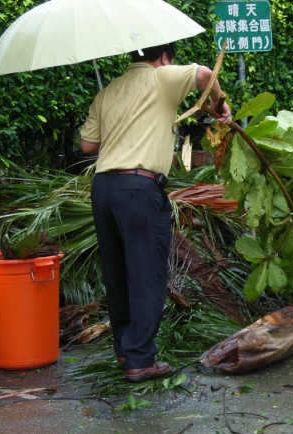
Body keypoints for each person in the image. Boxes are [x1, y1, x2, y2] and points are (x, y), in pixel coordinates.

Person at [80, 43, 231, 383]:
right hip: (139, 189)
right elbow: (205, 74)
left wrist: (123, 133)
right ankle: (140, 360)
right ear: (165, 57)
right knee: (146, 274)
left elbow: (88, 146)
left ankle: (124, 350)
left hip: (103, 189)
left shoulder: (108, 91)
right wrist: (219, 106)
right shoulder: (161, 77)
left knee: (116, 271)